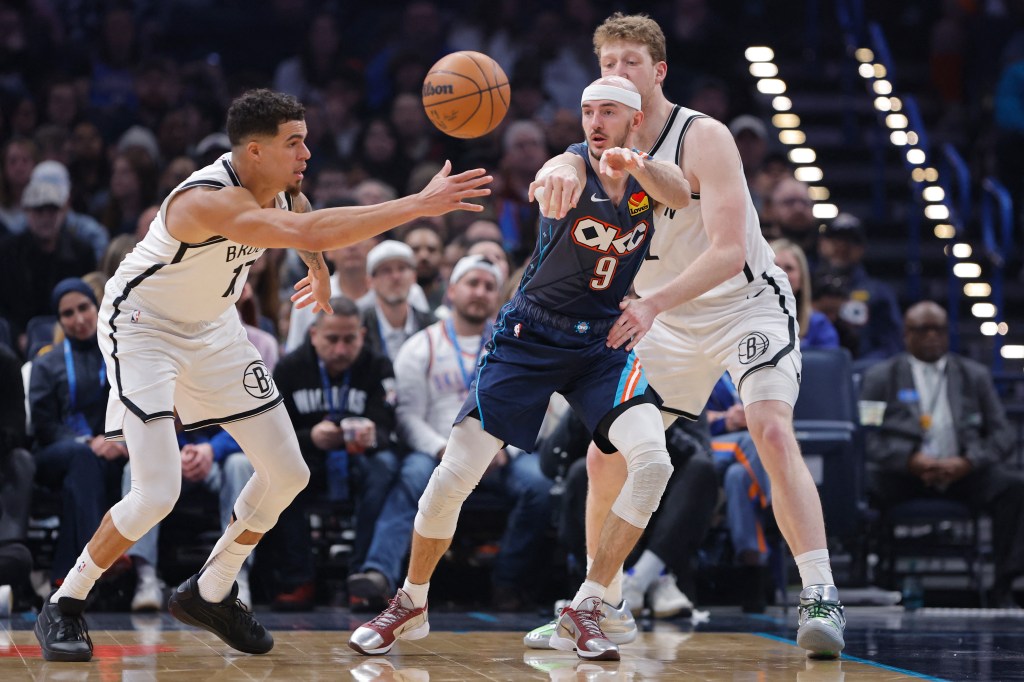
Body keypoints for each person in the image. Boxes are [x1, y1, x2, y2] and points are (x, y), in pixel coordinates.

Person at [33, 88, 491, 663]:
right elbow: (308, 230)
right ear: (254, 151)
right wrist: (418, 205)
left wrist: (319, 273)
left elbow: (302, 215)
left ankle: (212, 589)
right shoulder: (204, 201)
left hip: (214, 329)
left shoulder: (279, 183)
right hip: (143, 328)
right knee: (157, 492)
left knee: (288, 472)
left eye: (306, 139)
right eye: (293, 142)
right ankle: (65, 602)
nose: (306, 152)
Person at [349, 75, 690, 661]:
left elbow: (681, 193)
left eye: (609, 111)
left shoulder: (648, 177)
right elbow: (557, 173)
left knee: (654, 462)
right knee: (454, 474)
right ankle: (411, 601)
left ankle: (588, 603)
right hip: (529, 337)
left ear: (635, 119)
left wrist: (637, 162)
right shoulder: (572, 164)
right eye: (587, 111)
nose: (595, 122)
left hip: (600, 346)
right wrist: (554, 174)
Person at [563, 13, 846, 658]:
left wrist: (651, 303)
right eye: (607, 64)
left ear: (657, 72)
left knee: (770, 427)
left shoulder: (704, 135)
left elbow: (723, 251)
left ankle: (821, 591)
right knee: (605, 453)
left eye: (631, 62)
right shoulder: (594, 144)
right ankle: (597, 603)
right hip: (667, 318)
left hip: (744, 303)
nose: (617, 75)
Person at [347, 255, 553, 613]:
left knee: (538, 487)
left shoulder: (517, 349)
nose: (480, 292)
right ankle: (378, 573)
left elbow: (538, 409)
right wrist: (441, 448)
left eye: (489, 286)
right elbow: (407, 417)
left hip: (501, 453)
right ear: (452, 290)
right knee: (410, 475)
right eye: (472, 283)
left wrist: (508, 450)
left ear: (499, 297)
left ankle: (507, 583)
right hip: (437, 451)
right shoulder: (421, 345)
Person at [860, 301, 1024, 608]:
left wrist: (969, 461)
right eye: (924, 329)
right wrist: (908, 459)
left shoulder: (974, 375)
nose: (933, 336)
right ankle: (870, 579)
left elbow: (1002, 435)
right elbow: (866, 437)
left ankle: (1004, 584)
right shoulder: (881, 376)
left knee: (1014, 487)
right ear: (906, 334)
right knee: (863, 483)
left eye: (939, 329)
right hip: (904, 476)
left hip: (963, 474)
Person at [260, 296, 400, 610]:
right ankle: (299, 577)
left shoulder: (378, 366)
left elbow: (389, 428)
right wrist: (311, 437)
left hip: (359, 458)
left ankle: (362, 577)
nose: (340, 349)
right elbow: (271, 434)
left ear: (362, 335)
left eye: (349, 340)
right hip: (309, 457)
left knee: (386, 467)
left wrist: (372, 435)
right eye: (332, 339)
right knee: (281, 472)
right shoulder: (291, 367)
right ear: (313, 335)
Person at [29, 279, 127, 591]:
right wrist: (87, 441)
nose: (79, 319)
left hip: (108, 453)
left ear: (96, 308)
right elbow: (44, 426)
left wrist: (121, 440)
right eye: (68, 313)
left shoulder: (118, 356)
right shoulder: (47, 363)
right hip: (56, 453)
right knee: (83, 458)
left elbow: (133, 405)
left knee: (83, 475)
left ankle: (66, 573)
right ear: (59, 321)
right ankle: (102, 553)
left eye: (84, 307)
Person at [815, 212, 902, 363]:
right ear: (822, 243)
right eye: (836, 239)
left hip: (862, 371)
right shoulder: (805, 284)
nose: (842, 246)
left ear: (862, 248)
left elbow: (892, 345)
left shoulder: (879, 292)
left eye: (851, 241)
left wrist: (859, 369)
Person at [770, 239, 839, 350]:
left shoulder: (818, 324)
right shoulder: (744, 318)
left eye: (789, 268)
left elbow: (830, 365)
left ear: (802, 279)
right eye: (775, 266)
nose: (780, 273)